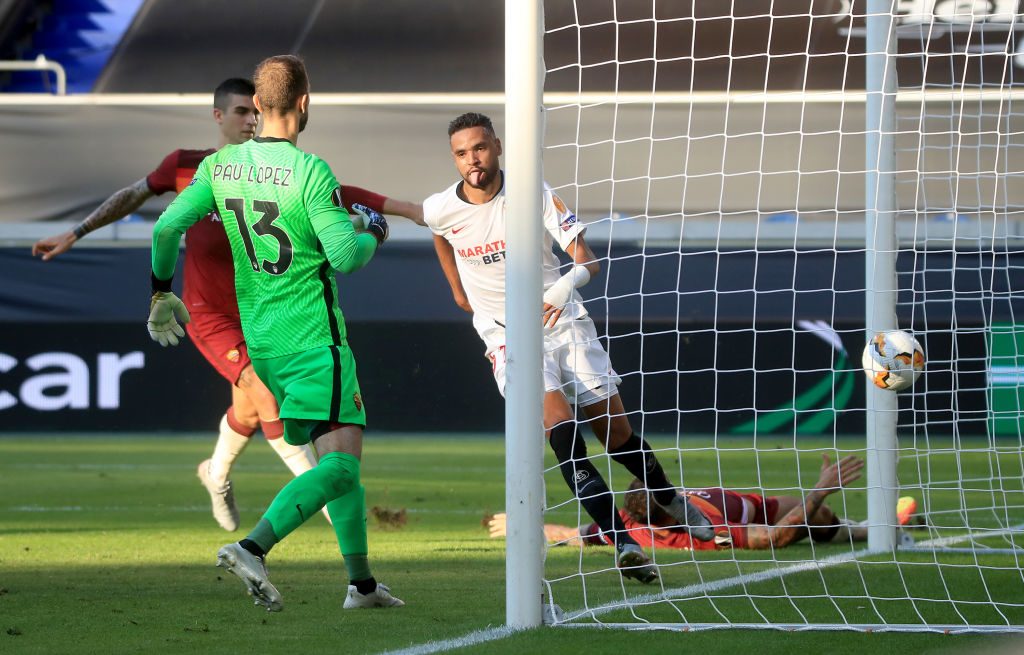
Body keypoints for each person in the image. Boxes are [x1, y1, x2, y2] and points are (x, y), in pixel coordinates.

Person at [32, 78, 419, 534]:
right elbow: (134, 196)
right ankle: (327, 500)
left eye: (253, 112)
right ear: (218, 116)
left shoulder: (281, 171)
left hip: (260, 313)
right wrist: (75, 232)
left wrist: (410, 209)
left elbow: (342, 191)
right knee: (264, 393)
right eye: (240, 112)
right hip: (207, 311)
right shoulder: (190, 167)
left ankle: (215, 472)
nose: (250, 120)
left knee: (250, 411)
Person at [147, 55, 401, 612]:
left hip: (265, 346)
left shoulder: (220, 166)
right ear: (305, 103)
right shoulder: (311, 171)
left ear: (258, 105)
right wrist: (375, 231)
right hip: (314, 341)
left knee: (339, 464)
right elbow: (346, 257)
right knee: (341, 466)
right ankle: (252, 547)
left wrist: (160, 290)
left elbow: (166, 228)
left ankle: (362, 587)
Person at [420, 112, 715, 585]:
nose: (471, 160)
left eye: (479, 148)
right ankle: (624, 542)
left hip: (565, 324)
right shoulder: (443, 206)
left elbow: (586, 260)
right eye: (461, 153)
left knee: (616, 438)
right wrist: (457, 288)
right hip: (507, 336)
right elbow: (435, 226)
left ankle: (667, 497)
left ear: (497, 146)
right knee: (563, 435)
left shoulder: (532, 192)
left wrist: (562, 288)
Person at [489, 455, 919, 550]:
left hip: (754, 501)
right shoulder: (700, 532)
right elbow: (774, 538)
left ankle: (873, 525)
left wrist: (520, 524)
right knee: (818, 517)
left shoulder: (625, 517)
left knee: (817, 515)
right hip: (752, 515)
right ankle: (881, 529)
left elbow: (571, 533)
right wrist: (818, 491)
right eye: (667, 494)